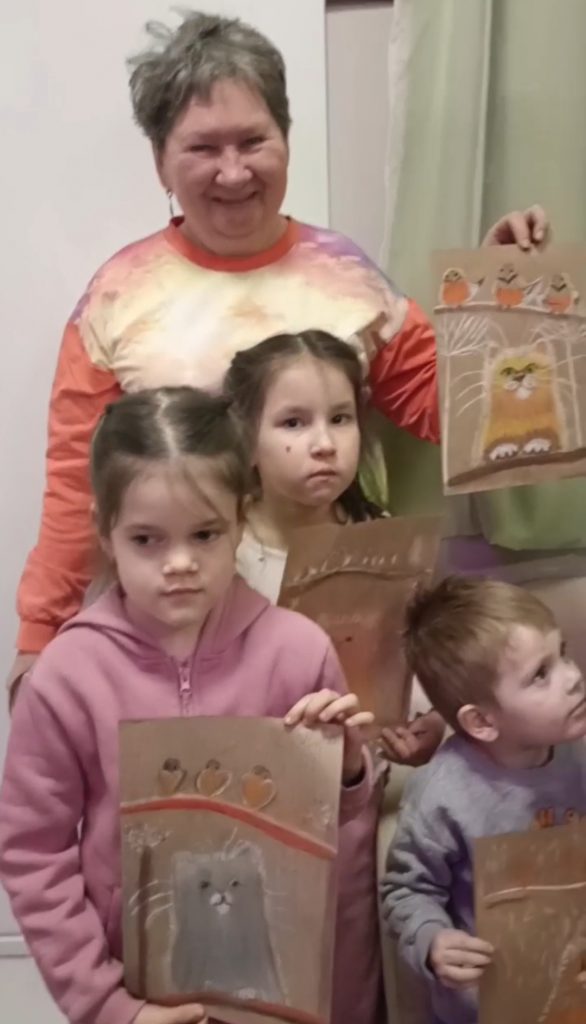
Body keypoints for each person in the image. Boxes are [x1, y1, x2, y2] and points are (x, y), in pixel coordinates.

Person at [8, 8, 548, 696]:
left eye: (253, 141)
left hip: (340, 622)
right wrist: (40, 637)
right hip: (179, 636)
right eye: (203, 148)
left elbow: (456, 412)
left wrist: (501, 300)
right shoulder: (117, 298)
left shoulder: (348, 276)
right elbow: (77, 484)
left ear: (286, 140)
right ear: (161, 161)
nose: (233, 171)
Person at [0, 387, 374, 1024]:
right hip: (139, 998)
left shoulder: (298, 651)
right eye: (147, 539)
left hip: (280, 991)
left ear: (241, 519)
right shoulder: (66, 677)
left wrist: (347, 770)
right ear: (105, 531)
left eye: (204, 534)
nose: (179, 563)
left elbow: (339, 846)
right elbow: (34, 855)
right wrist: (108, 1006)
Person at [224, 330, 446, 1024]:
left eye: (340, 419)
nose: (323, 444)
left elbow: (415, 662)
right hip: (262, 798)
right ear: (246, 438)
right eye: (293, 423)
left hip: (365, 790)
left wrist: (424, 724)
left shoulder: (384, 538)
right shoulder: (224, 552)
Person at [380, 576, 586, 1024]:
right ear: (482, 722)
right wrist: (432, 940)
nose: (573, 677)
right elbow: (407, 889)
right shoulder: (442, 795)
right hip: (489, 1008)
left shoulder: (577, 749)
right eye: (541, 674)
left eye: (564, 653)